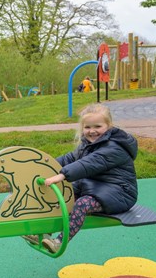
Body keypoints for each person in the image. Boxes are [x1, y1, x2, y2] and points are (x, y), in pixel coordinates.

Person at [23, 103, 138, 254]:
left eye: (98, 126)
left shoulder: (115, 147)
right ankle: (44, 232)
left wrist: (62, 175)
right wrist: (45, 167)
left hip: (120, 192)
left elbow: (89, 163)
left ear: (109, 126)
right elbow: (70, 158)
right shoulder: (88, 144)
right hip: (97, 188)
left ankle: (59, 241)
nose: (92, 131)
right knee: (64, 197)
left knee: (82, 204)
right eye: (88, 127)